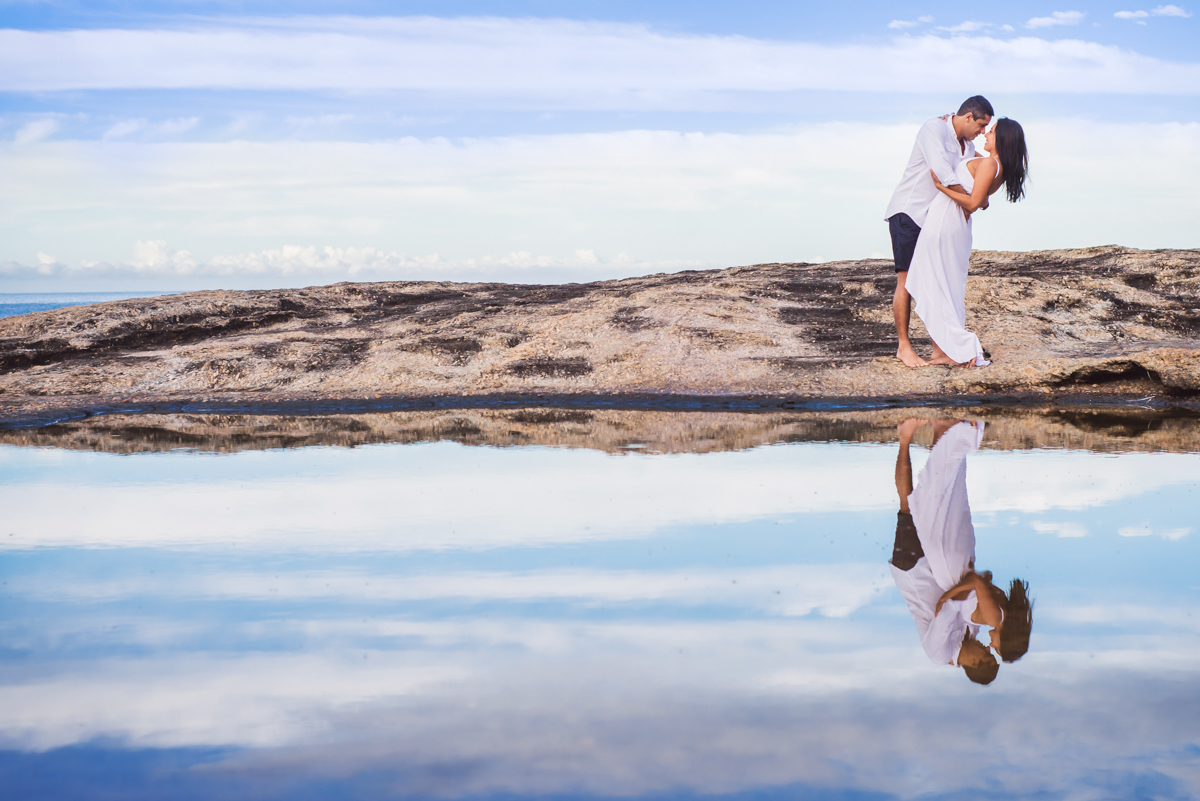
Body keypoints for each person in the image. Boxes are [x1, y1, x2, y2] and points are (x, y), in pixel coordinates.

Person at [889, 418, 1033, 683]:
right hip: (939, 562)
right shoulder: (983, 624)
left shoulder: (941, 651)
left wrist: (956, 593)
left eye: (989, 654)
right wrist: (958, 591)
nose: (990, 647)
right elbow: (965, 594)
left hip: (915, 572)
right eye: (996, 650)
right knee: (936, 498)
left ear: (976, 662)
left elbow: (953, 604)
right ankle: (942, 433)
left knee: (912, 506)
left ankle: (910, 436)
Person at [905, 118, 1029, 366]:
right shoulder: (993, 164)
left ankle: (964, 348)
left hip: (946, 221)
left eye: (991, 132)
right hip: (953, 223)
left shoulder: (990, 164)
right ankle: (947, 351)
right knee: (947, 286)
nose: (985, 134)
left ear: (1003, 139)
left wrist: (941, 187)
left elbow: (973, 202)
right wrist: (951, 128)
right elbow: (981, 201)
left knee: (936, 281)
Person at [884, 96, 993, 368]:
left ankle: (939, 349)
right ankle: (904, 347)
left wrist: (978, 198)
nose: (982, 133)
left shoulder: (966, 146)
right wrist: (970, 203)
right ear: (968, 116)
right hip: (909, 212)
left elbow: (980, 174)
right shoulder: (934, 128)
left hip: (934, 221)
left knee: (937, 280)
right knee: (907, 281)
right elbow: (943, 173)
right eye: (981, 125)